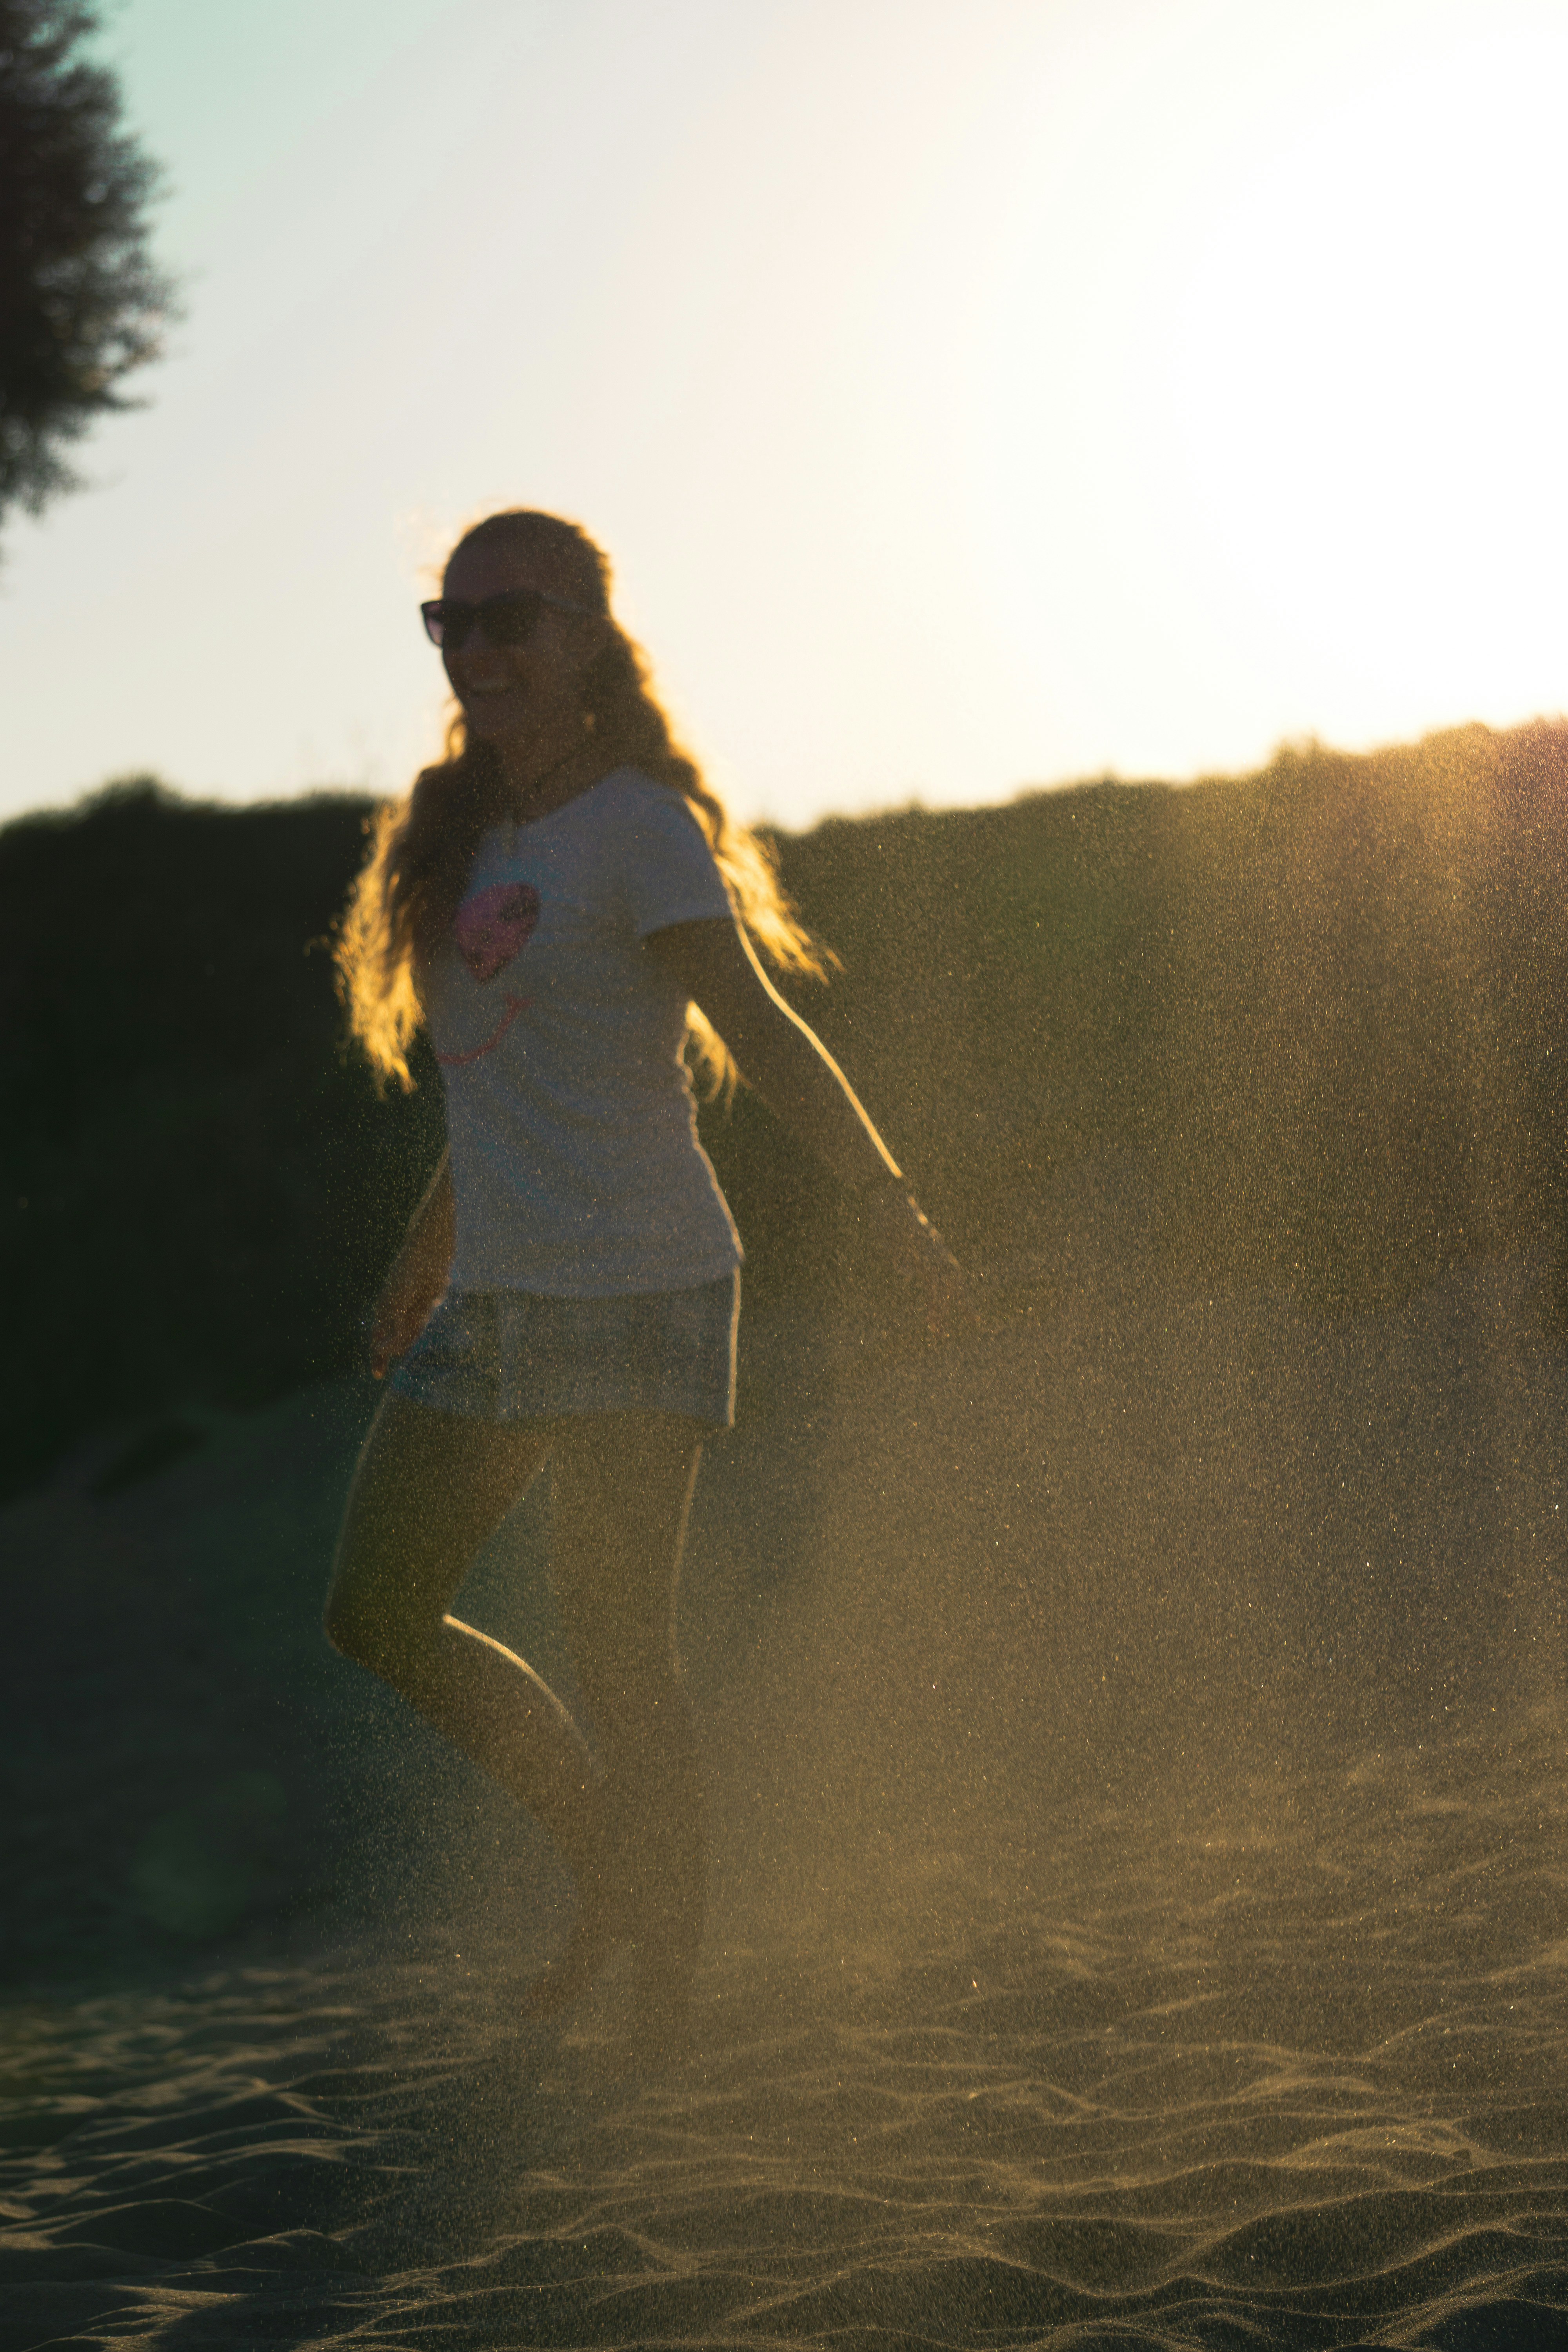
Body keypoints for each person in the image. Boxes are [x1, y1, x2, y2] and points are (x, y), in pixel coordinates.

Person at [324, 508, 971, 2045]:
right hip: (497, 1295)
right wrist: (426, 1257)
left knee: (617, 1641)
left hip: (639, 1283)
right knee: (374, 1610)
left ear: (590, 634)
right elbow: (491, 1080)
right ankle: (615, 1865)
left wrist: (886, 1206)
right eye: (449, 622)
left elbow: (755, 1026)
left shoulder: (638, 828)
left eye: (509, 618)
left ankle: (666, 1998)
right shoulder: (460, 833)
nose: (475, 650)